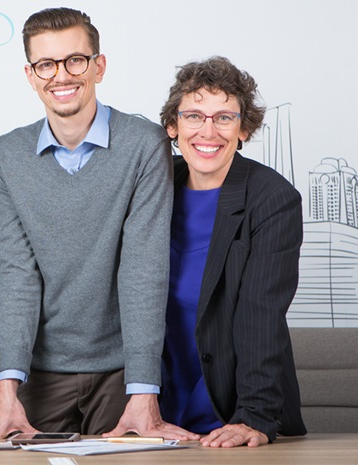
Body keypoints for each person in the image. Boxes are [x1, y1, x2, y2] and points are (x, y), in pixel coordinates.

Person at [0, 8, 198, 440]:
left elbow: (142, 270)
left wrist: (143, 391)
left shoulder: (143, 143)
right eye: (46, 64)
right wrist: (8, 390)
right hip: (40, 376)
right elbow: (18, 277)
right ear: (30, 74)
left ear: (99, 66)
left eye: (75, 60)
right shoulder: (6, 156)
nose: (61, 75)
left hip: (123, 374)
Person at [158, 56, 307, 447]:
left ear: (243, 129)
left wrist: (254, 415)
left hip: (231, 410)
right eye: (194, 116)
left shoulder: (272, 199)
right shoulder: (154, 185)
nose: (209, 130)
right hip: (152, 413)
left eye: (224, 117)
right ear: (173, 126)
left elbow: (261, 315)